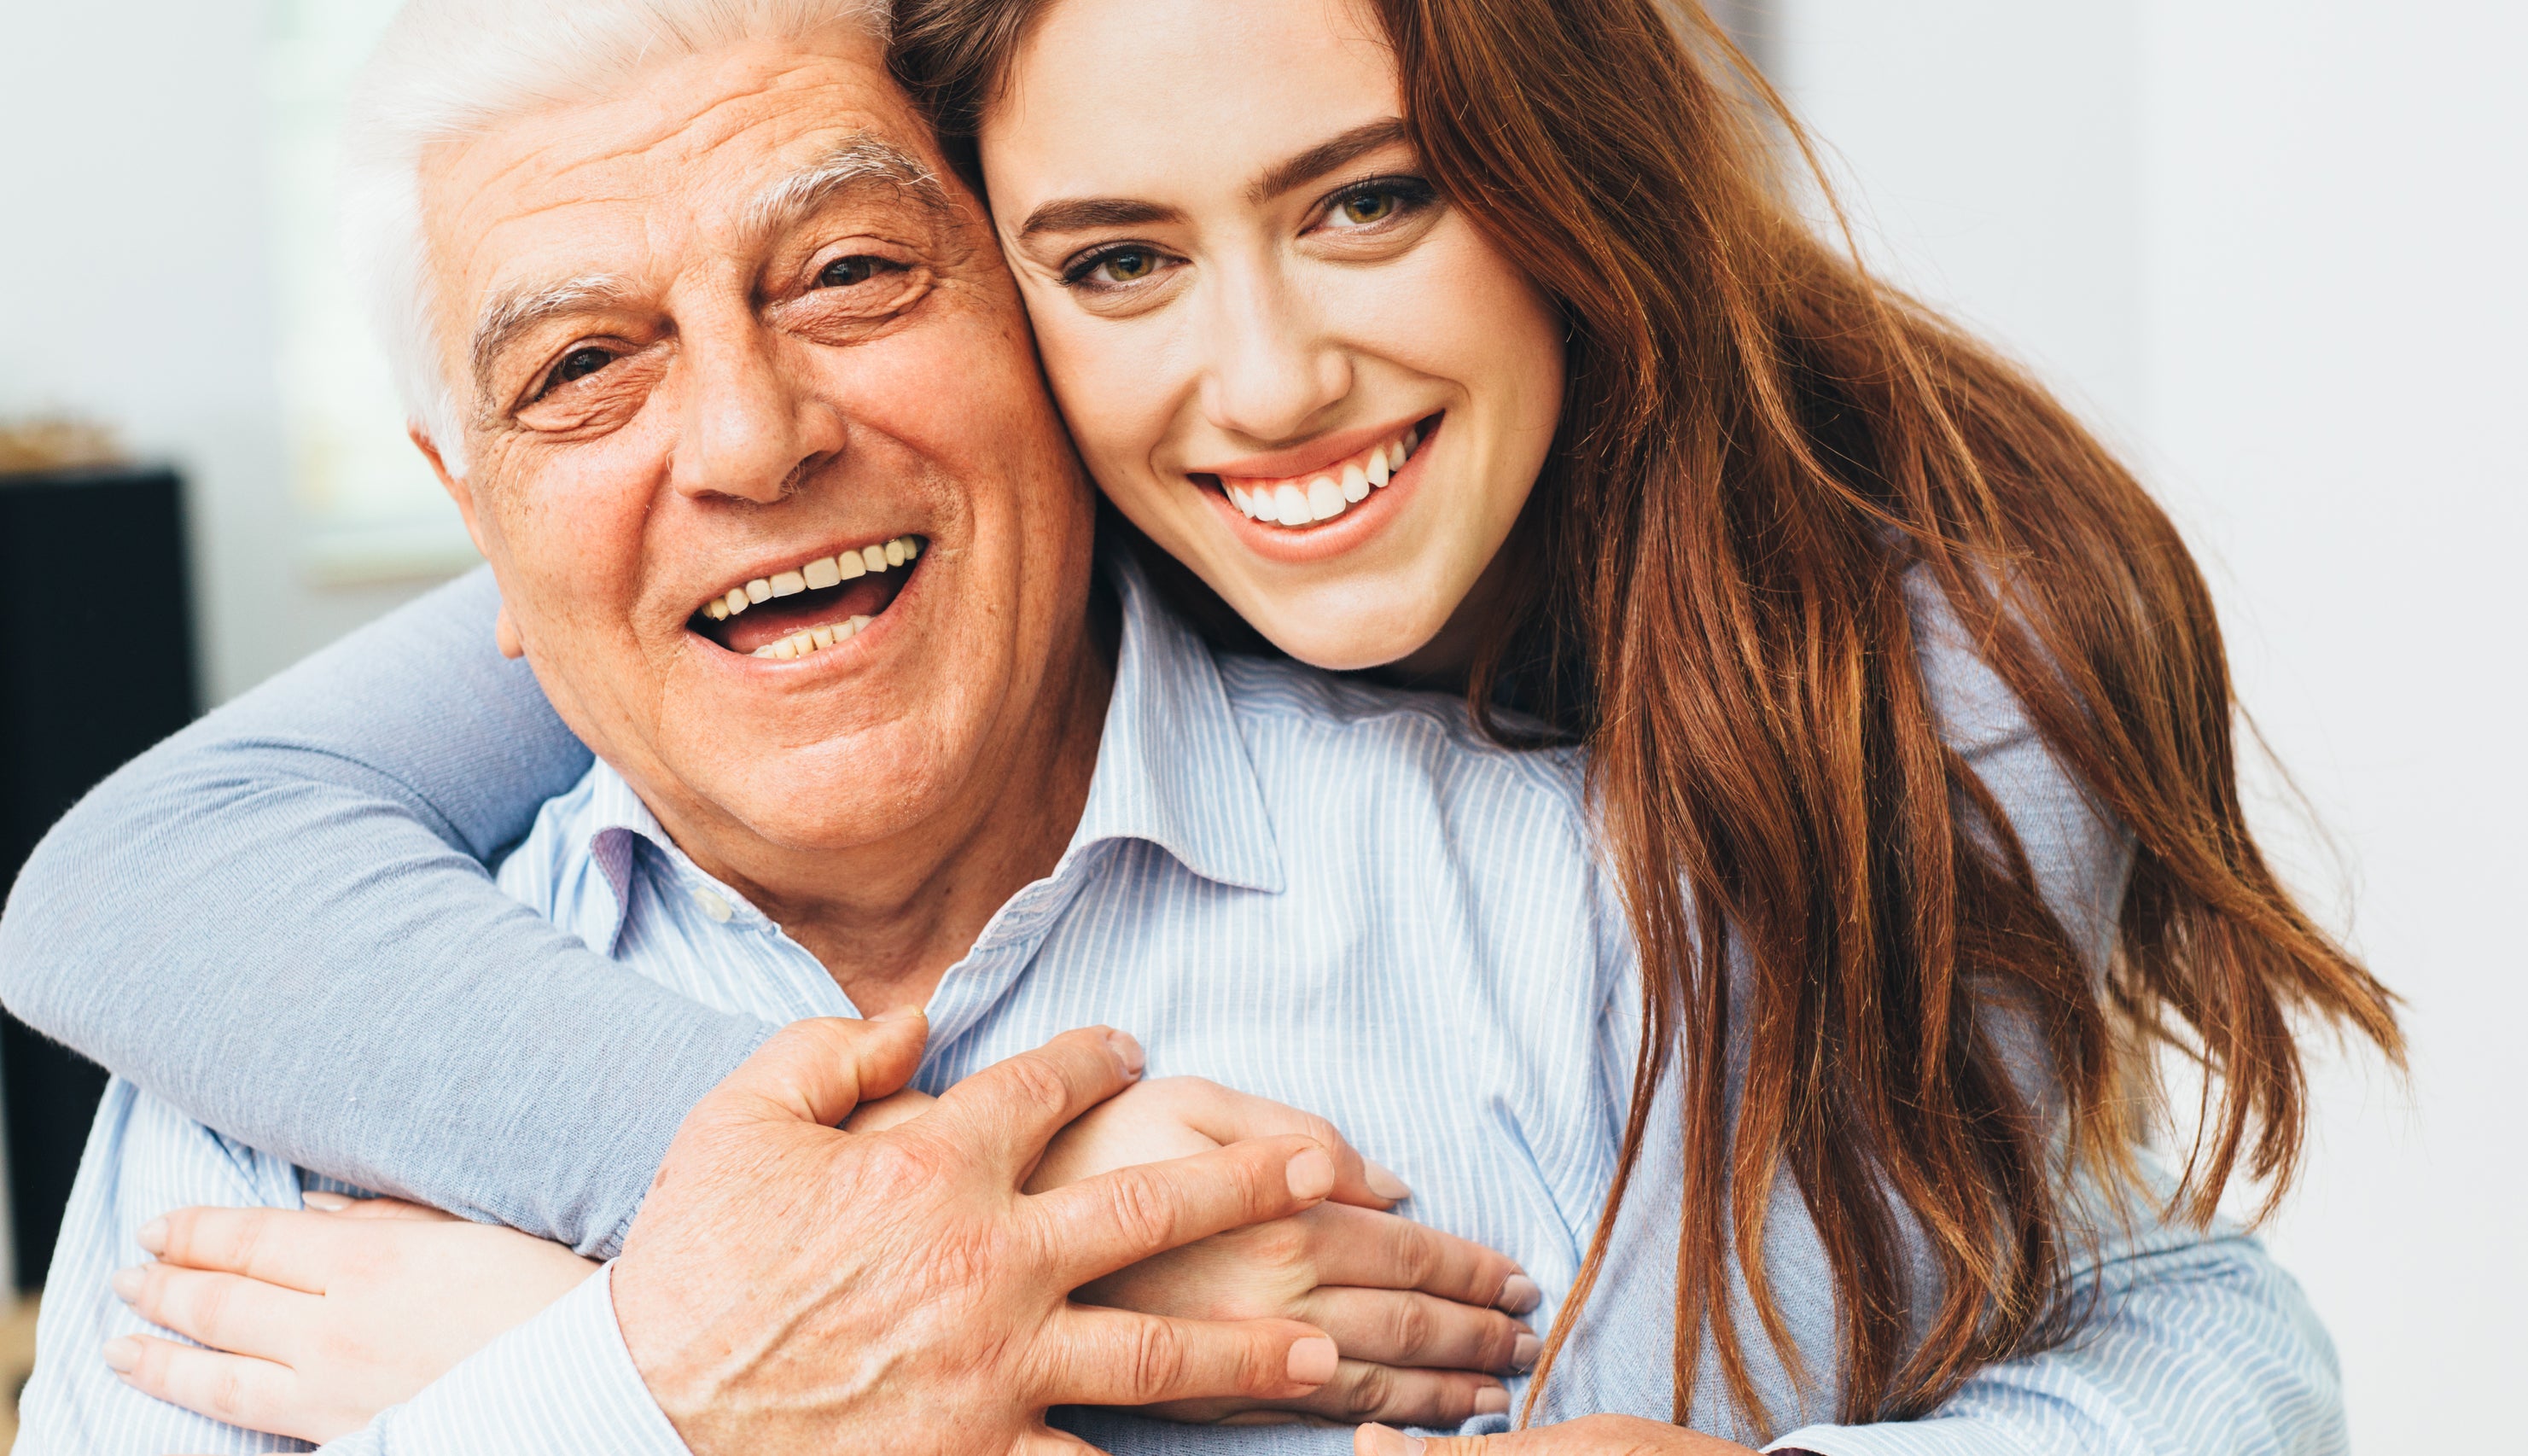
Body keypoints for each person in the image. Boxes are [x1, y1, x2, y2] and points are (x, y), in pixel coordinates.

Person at [0, 0, 2391, 1449]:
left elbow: (2178, 1335)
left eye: (848, 273)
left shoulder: (1715, 827)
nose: (742, 435)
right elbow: (135, 861)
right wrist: (673, 1368)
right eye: (581, 367)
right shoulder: (272, 1073)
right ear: (477, 524)